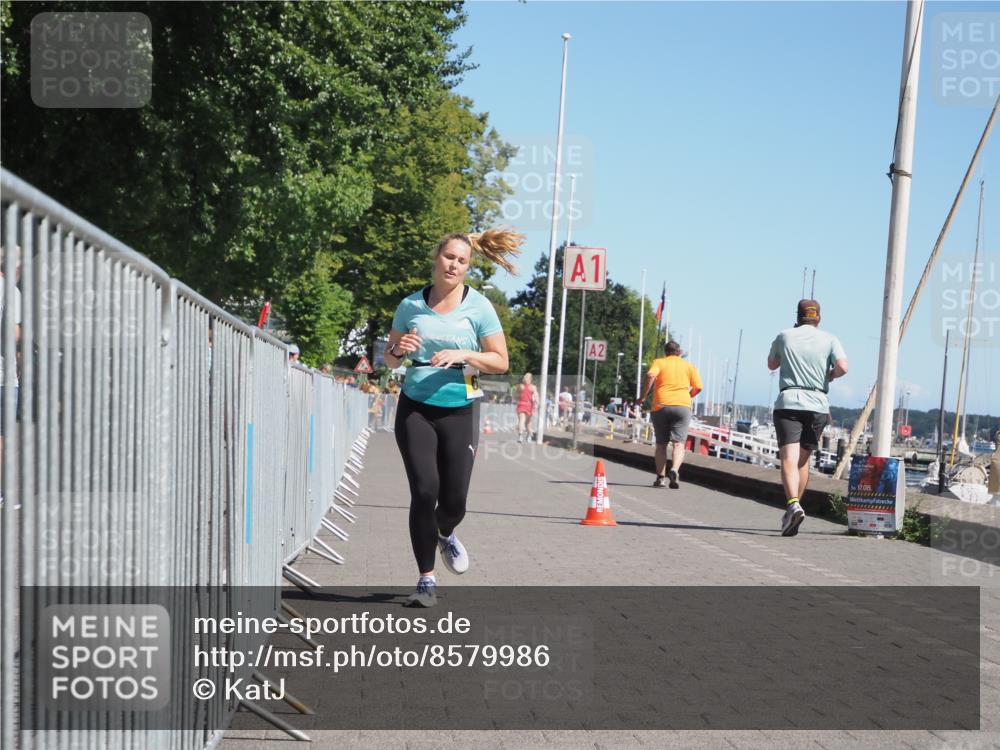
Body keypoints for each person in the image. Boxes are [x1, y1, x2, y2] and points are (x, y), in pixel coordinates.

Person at [385, 228, 522, 607]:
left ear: (467, 267)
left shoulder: (479, 307)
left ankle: (446, 531)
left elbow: (500, 360)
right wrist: (399, 348)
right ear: (436, 259)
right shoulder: (410, 305)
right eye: (449, 257)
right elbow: (390, 358)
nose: (454, 265)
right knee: (424, 489)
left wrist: (463, 355)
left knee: (455, 501)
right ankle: (426, 579)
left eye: (462, 261)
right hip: (416, 406)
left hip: (461, 406)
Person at [768, 299, 848, 536]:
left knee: (788, 460)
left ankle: (793, 504)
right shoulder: (830, 339)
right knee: (803, 461)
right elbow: (843, 367)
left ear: (798, 316)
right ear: (818, 318)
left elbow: (772, 364)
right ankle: (794, 506)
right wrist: (830, 375)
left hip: (789, 402)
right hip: (817, 405)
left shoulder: (784, 336)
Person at [642, 340, 702, 489]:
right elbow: (698, 387)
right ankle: (674, 470)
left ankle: (660, 478)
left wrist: (643, 396)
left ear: (666, 352)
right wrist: (689, 395)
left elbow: (650, 375)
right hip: (682, 406)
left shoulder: (659, 362)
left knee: (661, 445)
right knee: (678, 444)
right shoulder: (689, 366)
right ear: (679, 352)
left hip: (661, 405)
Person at [515, 372, 538, 443]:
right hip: (529, 406)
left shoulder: (520, 386)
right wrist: (537, 404)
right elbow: (536, 397)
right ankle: (529, 436)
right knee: (528, 423)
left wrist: (518, 400)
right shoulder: (533, 387)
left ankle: (520, 436)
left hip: (521, 404)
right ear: (531, 379)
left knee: (521, 421)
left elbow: (516, 396)